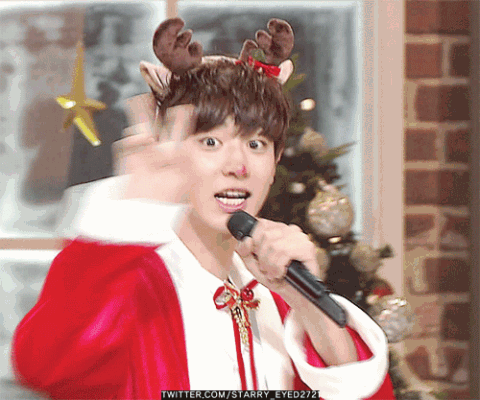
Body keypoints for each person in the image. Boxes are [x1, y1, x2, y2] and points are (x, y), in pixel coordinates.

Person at [11, 18, 395, 399]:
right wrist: (131, 213)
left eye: (256, 144)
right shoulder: (129, 288)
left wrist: (308, 304)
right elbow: (42, 365)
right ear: (172, 151)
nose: (238, 166)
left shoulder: (278, 296)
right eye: (211, 142)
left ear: (275, 160)